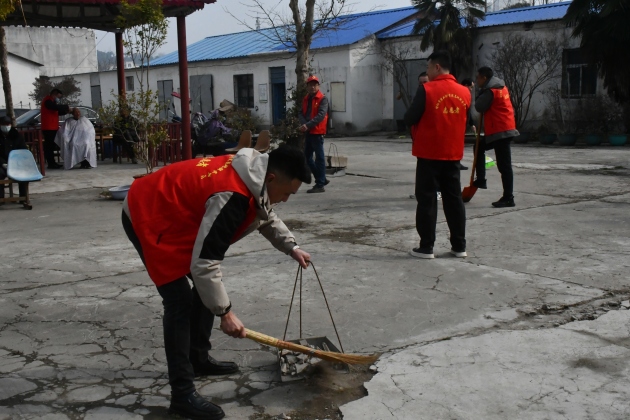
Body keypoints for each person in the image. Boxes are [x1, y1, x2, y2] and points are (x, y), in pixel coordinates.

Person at [121, 146, 313, 420]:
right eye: (287, 194)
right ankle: (182, 396)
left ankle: (198, 358)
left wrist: (291, 246)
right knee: (179, 301)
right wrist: (226, 314)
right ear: (271, 178)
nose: (284, 200)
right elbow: (205, 264)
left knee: (204, 290)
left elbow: (264, 212)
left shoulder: (253, 175)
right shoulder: (232, 197)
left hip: (176, 211)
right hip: (148, 212)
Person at [404, 50, 471, 259]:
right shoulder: (465, 92)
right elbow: (467, 120)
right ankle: (459, 246)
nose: (427, 71)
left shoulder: (427, 89)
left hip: (429, 153)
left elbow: (410, 117)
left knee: (427, 199)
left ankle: (426, 247)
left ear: (437, 67)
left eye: (428, 67)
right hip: (453, 154)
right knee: (454, 200)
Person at [473, 66, 520, 208]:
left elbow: (479, 106)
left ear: (484, 78)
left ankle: (508, 197)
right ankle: (481, 179)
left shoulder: (490, 91)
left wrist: (479, 93)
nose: (477, 80)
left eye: (478, 78)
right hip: (501, 129)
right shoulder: (501, 87)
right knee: (478, 146)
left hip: (501, 131)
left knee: (504, 166)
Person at [299, 75, 329, 193]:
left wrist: (307, 125)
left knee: (319, 158)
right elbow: (301, 113)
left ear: (318, 86)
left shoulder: (322, 99)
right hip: (309, 131)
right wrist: (304, 124)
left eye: (315, 85)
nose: (312, 87)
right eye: (310, 85)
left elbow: (321, 115)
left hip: (317, 131)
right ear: (307, 86)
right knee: (307, 157)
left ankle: (320, 184)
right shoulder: (306, 99)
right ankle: (321, 178)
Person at [41, 88, 73, 169]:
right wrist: (66, 106)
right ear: (54, 94)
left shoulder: (52, 102)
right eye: (58, 97)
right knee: (49, 146)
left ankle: (53, 163)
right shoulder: (48, 101)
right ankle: (51, 163)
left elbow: (57, 112)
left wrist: (66, 111)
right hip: (48, 127)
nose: (58, 99)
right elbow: (54, 107)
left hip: (53, 126)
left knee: (51, 146)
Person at [0, 116, 27, 203]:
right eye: (3, 124)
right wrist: (3, 163)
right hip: (2, 165)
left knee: (23, 173)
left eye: (7, 124)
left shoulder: (17, 136)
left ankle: (23, 198)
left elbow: (23, 151)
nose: (6, 126)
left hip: (16, 164)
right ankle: (1, 198)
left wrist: (15, 163)